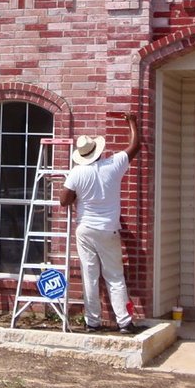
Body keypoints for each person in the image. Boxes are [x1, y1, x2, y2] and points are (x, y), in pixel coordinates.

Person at [59, 112, 142, 333]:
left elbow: (63, 201)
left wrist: (79, 197)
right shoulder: (112, 165)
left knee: (90, 276)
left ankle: (92, 322)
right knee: (115, 275)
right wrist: (131, 122)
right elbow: (135, 146)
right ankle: (124, 321)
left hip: (85, 229)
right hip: (108, 229)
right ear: (98, 151)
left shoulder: (76, 173)